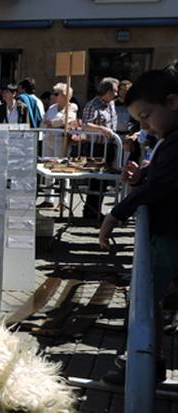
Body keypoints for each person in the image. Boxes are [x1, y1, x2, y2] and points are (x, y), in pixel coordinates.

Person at [98, 69, 178, 386]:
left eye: (146, 116)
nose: (143, 126)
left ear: (172, 102)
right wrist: (145, 173)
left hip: (170, 236)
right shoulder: (168, 140)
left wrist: (114, 215)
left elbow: (162, 186)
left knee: (144, 301)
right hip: (167, 232)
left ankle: (146, 364)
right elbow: (162, 179)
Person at [81, 77, 120, 220]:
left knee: (104, 181)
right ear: (108, 91)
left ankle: (96, 210)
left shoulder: (111, 104)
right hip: (96, 148)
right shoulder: (93, 105)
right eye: (115, 91)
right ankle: (90, 211)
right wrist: (102, 129)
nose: (116, 94)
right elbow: (85, 125)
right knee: (96, 180)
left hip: (109, 146)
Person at [39, 83, 79, 208]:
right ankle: (48, 198)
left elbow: (66, 121)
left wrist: (52, 123)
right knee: (47, 167)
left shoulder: (72, 107)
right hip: (48, 139)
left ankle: (63, 200)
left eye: (56, 94)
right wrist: (52, 123)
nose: (53, 96)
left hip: (61, 141)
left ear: (65, 96)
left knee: (63, 169)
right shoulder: (52, 107)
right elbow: (43, 122)